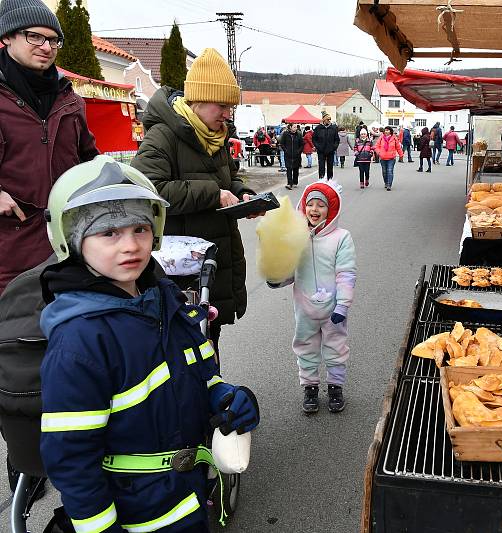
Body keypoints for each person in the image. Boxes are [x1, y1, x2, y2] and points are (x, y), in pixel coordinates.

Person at [38, 156, 260, 533]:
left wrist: (226, 397)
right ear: (72, 239)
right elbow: (72, 459)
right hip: (136, 515)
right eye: (108, 233)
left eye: (140, 228)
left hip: (186, 498)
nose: (131, 246)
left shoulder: (165, 297)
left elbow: (201, 366)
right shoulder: (80, 341)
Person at [132, 48, 259, 353]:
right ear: (199, 100)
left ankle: (211, 396)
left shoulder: (216, 135)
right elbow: (149, 189)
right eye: (222, 106)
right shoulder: (163, 135)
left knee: (209, 339)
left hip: (213, 261)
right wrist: (213, 194)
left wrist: (243, 194)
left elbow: (229, 178)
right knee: (181, 347)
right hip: (178, 272)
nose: (227, 114)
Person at [0, 0, 99, 295]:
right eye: (35, 37)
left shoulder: (70, 100)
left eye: (54, 40)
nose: (46, 46)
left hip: (66, 244)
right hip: (9, 252)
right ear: (6, 37)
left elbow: (88, 158)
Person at [268, 181, 356, 414]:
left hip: (333, 309)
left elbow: (346, 272)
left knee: (336, 347)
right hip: (304, 308)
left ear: (332, 209)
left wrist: (343, 305)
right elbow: (291, 271)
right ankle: (310, 387)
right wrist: (277, 277)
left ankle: (336, 386)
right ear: (303, 207)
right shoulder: (296, 236)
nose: (314, 210)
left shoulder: (341, 237)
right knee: (305, 347)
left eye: (321, 205)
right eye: (310, 204)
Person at [312, 111, 339, 180]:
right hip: (321, 150)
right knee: (321, 166)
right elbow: (314, 139)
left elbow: (337, 139)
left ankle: (329, 179)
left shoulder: (333, 128)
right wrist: (318, 146)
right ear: (324, 120)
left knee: (330, 166)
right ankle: (321, 178)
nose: (329, 121)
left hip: (330, 150)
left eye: (330, 119)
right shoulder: (318, 128)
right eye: (327, 119)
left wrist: (334, 147)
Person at [376, 126, 403, 191]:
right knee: (384, 172)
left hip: (391, 158)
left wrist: (401, 155)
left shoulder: (394, 138)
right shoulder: (381, 137)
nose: (386, 131)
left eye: (388, 130)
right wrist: (379, 152)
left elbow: (398, 147)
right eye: (385, 130)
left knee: (390, 171)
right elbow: (377, 146)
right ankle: (386, 182)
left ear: (390, 131)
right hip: (383, 158)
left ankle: (389, 185)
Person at [280, 122, 303, 190]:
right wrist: (286, 150)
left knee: (296, 169)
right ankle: (289, 183)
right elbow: (282, 143)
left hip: (296, 155)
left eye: (296, 127)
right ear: (290, 127)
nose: (296, 128)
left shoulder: (299, 134)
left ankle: (295, 182)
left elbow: (302, 144)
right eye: (294, 127)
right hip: (288, 155)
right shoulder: (285, 134)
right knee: (289, 169)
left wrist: (299, 151)